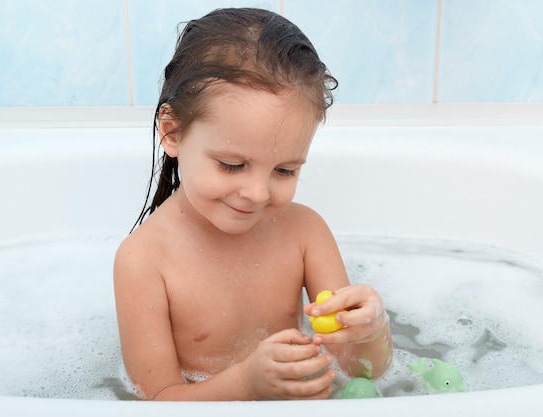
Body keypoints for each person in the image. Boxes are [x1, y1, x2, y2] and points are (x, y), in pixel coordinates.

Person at [113, 7, 392, 401]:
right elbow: (157, 400)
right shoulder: (143, 261)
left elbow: (361, 368)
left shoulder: (305, 232)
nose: (258, 194)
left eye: (284, 171)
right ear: (172, 132)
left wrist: (372, 330)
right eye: (232, 165)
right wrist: (246, 384)